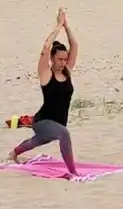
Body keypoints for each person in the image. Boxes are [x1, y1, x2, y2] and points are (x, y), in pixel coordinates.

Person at [10, 10, 80, 175]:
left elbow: (75, 45)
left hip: (58, 122)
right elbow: (46, 47)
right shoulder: (45, 73)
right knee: (64, 134)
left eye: (65, 59)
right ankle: (73, 173)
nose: (63, 62)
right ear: (52, 59)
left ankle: (14, 153)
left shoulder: (67, 71)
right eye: (59, 59)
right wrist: (57, 26)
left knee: (36, 141)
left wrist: (66, 25)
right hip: (43, 121)